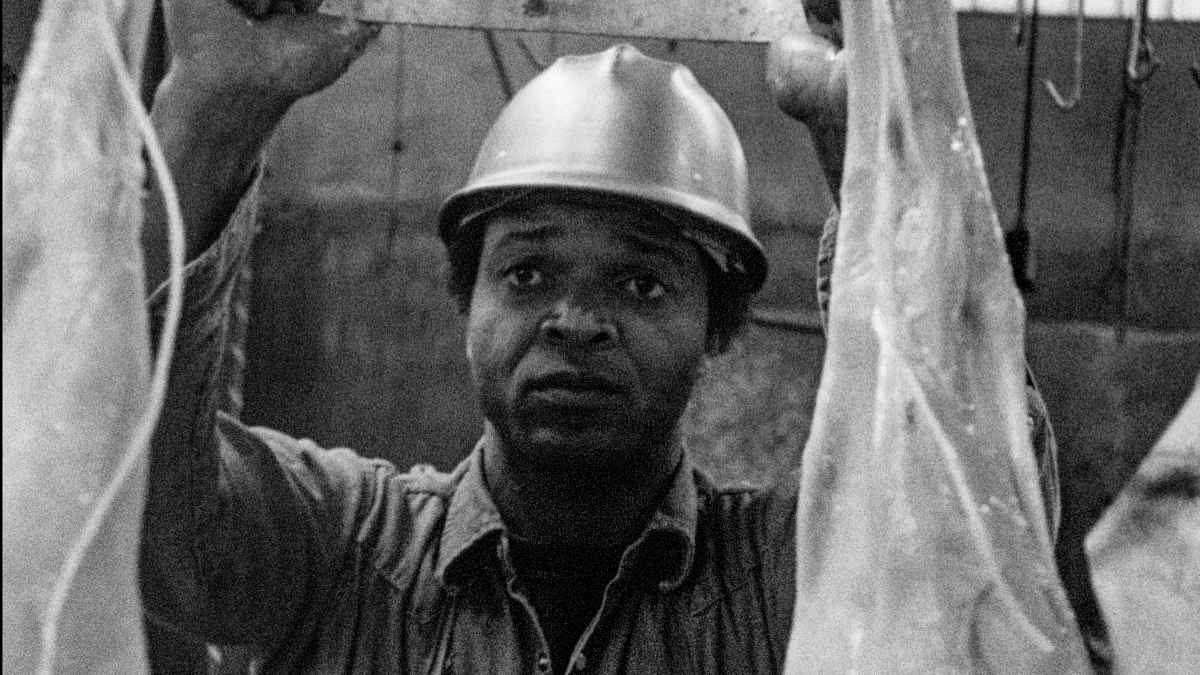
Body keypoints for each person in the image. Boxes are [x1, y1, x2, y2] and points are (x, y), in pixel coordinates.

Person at [139, 1, 1061, 674]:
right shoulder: (341, 552)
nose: (576, 321)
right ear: (466, 298)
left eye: (641, 282)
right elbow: (133, 509)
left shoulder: (788, 582)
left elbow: (974, 536)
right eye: (528, 274)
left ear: (717, 325)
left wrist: (878, 149)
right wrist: (212, 117)